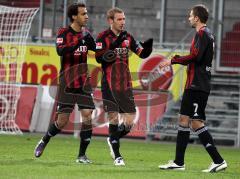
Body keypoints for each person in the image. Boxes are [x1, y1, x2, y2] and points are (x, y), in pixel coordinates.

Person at [158, 4, 227, 172]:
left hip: (197, 84)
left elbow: (195, 56)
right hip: (197, 83)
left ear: (196, 18)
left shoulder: (202, 34)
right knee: (185, 120)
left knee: (194, 122)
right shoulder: (207, 34)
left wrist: (173, 60)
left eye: (190, 15)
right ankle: (179, 162)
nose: (189, 18)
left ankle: (217, 160)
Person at [34, 3, 96, 164]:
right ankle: (44, 140)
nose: (86, 16)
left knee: (88, 116)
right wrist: (79, 41)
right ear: (74, 16)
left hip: (84, 82)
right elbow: (60, 50)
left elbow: (99, 51)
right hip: (67, 82)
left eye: (87, 13)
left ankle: (82, 155)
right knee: (62, 121)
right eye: (83, 14)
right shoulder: (63, 32)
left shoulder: (87, 35)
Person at [95, 7, 153, 166]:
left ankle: (112, 139)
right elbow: (100, 58)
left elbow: (140, 52)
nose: (123, 22)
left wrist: (147, 49)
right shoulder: (102, 37)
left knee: (129, 121)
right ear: (110, 21)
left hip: (125, 84)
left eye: (124, 19)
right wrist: (115, 46)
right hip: (109, 83)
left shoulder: (128, 37)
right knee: (113, 118)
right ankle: (118, 155)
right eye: (119, 19)